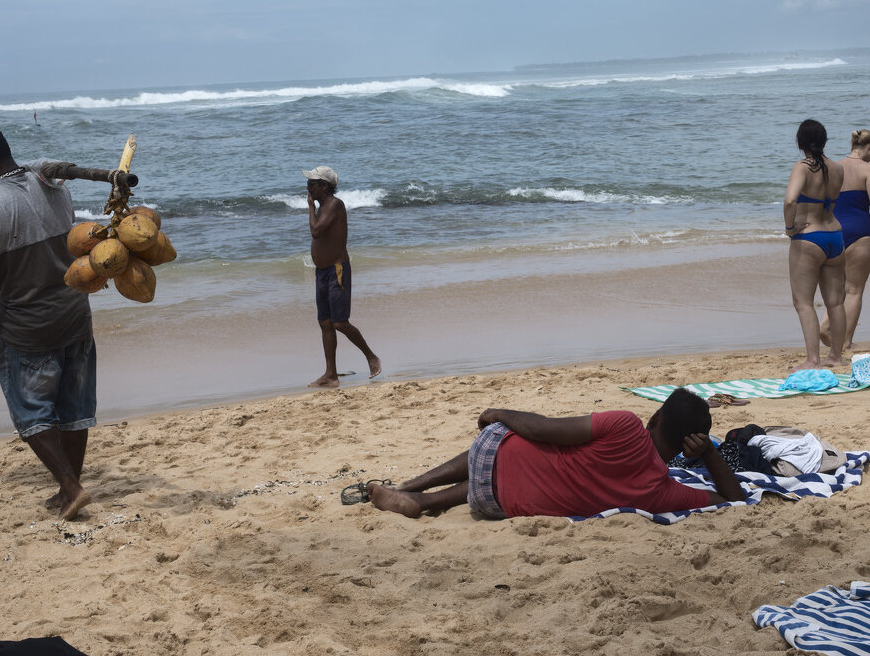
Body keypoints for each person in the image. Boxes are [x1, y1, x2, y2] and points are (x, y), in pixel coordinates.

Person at [0, 119, 94, 521]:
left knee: (32, 414)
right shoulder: (54, 186)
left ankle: (71, 486)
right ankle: (69, 487)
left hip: (28, 329)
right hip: (76, 314)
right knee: (73, 407)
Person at [363, 389, 746, 519]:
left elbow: (546, 428)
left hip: (491, 458)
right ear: (687, 445)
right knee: (509, 477)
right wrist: (710, 455)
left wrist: (498, 413)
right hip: (493, 505)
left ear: (657, 416)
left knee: (512, 439)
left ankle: (409, 486)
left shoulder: (627, 425)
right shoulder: (664, 494)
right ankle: (421, 500)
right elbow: (734, 499)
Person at [818, 129, 870, 350]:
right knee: (854, 290)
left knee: (836, 288)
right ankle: (845, 342)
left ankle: (826, 325)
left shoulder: (833, 168)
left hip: (833, 232)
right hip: (859, 233)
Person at [304, 166, 381, 387]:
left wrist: (310, 208)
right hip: (322, 272)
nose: (308, 188)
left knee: (339, 322)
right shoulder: (323, 206)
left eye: (311, 184)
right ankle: (331, 374)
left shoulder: (334, 205)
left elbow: (316, 231)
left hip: (337, 270)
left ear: (324, 186)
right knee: (325, 322)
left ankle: (371, 357)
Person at [783, 119, 846, 372]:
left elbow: (790, 201)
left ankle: (813, 359)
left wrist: (789, 229)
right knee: (835, 302)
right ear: (824, 141)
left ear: (800, 143)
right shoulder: (838, 168)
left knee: (804, 303)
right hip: (835, 236)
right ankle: (837, 357)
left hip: (809, 238)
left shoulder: (803, 167)